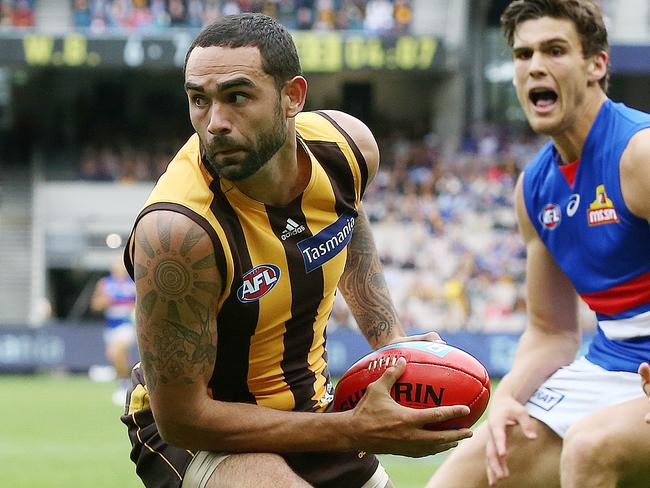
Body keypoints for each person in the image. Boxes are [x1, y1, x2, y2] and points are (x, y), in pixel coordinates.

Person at [120, 13, 473, 488]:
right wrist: (353, 428)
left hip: (306, 406)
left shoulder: (347, 149)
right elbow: (183, 418)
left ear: (293, 97)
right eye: (198, 100)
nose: (215, 123)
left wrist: (389, 339)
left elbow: (345, 214)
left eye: (237, 96)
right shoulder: (177, 232)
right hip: (195, 433)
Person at [427, 1, 650, 487]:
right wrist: (509, 395)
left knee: (590, 449)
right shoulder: (534, 189)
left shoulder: (639, 154)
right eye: (523, 55)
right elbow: (552, 331)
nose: (535, 67)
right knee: (456, 479)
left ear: (597, 65)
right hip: (610, 367)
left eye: (554, 50)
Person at [91, 256, 137, 405]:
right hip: (111, 327)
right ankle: (129, 385)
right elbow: (95, 305)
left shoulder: (133, 284)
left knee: (114, 352)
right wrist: (104, 301)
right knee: (121, 358)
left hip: (128, 325)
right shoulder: (105, 284)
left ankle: (123, 385)